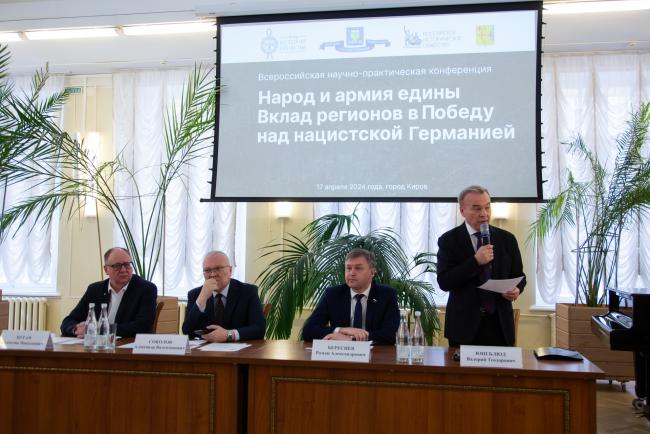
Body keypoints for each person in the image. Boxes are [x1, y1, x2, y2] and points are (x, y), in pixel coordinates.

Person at [437, 185, 525, 347]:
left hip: (500, 325)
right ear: (462, 211)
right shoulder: (449, 240)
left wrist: (516, 289)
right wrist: (475, 261)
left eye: (487, 207)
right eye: (477, 208)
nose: (484, 214)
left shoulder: (507, 239)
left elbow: (519, 276)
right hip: (463, 327)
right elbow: (445, 281)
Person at [302, 248, 400, 344]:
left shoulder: (387, 295)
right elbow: (308, 330)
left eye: (358, 268)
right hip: (340, 353)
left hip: (375, 353)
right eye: (348, 268)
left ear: (372, 272)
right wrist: (341, 330)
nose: (352, 273)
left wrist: (351, 339)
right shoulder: (333, 294)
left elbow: (391, 334)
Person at [60, 247, 158, 338]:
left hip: (127, 345)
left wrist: (99, 330)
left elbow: (142, 326)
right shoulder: (94, 290)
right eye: (117, 266)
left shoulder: (146, 289)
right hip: (97, 346)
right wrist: (76, 330)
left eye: (127, 265)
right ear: (106, 269)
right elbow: (68, 321)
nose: (123, 270)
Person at [182, 251, 265, 342]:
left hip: (239, 349)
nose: (212, 274)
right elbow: (187, 331)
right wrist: (202, 299)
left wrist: (229, 335)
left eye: (218, 269)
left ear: (230, 270)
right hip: (206, 349)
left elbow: (259, 328)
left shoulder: (248, 291)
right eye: (207, 270)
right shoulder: (195, 294)